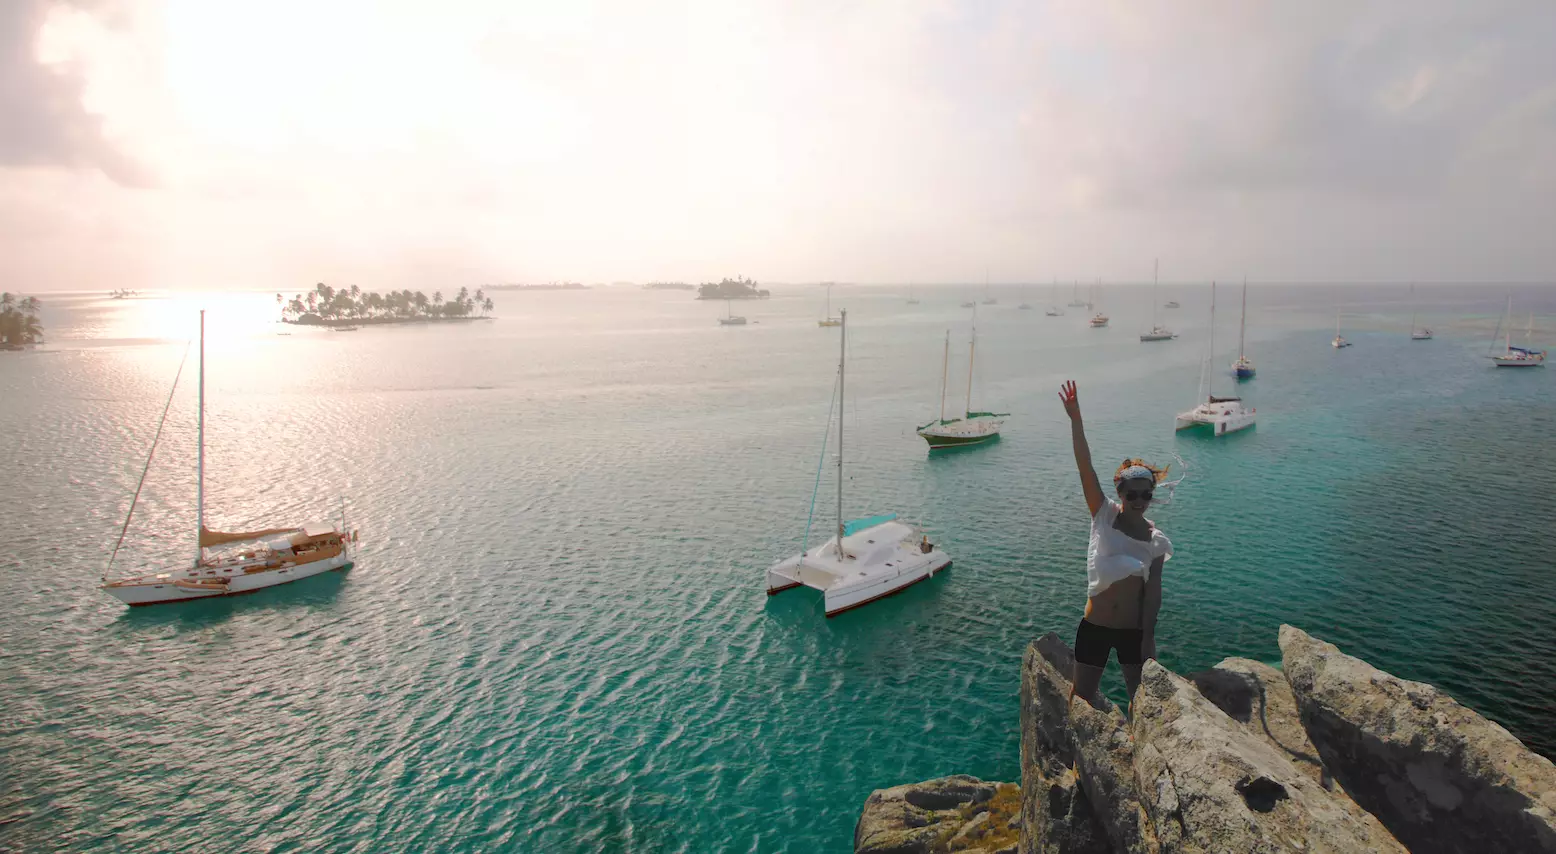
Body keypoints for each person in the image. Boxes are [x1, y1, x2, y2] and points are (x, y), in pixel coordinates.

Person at [1057, 380, 1173, 711]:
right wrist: (1075, 418)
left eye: (1146, 494)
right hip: (1094, 626)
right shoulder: (1103, 515)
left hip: (1132, 632)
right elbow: (1084, 467)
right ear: (1119, 492)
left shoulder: (1156, 540)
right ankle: (1077, 760)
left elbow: (1153, 594)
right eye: (1131, 494)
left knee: (1142, 703)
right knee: (1081, 700)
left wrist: (1149, 637)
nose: (1139, 500)